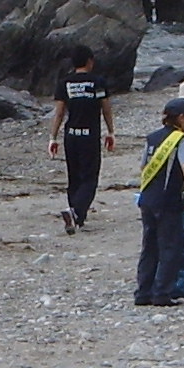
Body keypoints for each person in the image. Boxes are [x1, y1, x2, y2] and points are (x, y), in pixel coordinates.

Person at [133, 98, 184, 306]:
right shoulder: (180, 140)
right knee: (170, 247)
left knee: (149, 246)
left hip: (148, 198)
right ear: (180, 118)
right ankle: (162, 294)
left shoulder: (152, 138)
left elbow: (143, 166)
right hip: (168, 200)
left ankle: (143, 292)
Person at [49, 46, 115, 233]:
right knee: (89, 177)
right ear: (89, 61)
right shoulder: (98, 82)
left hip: (71, 135)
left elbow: (59, 113)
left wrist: (53, 137)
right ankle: (76, 212)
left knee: (74, 176)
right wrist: (111, 132)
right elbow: (106, 108)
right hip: (89, 135)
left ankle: (77, 215)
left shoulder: (65, 83)